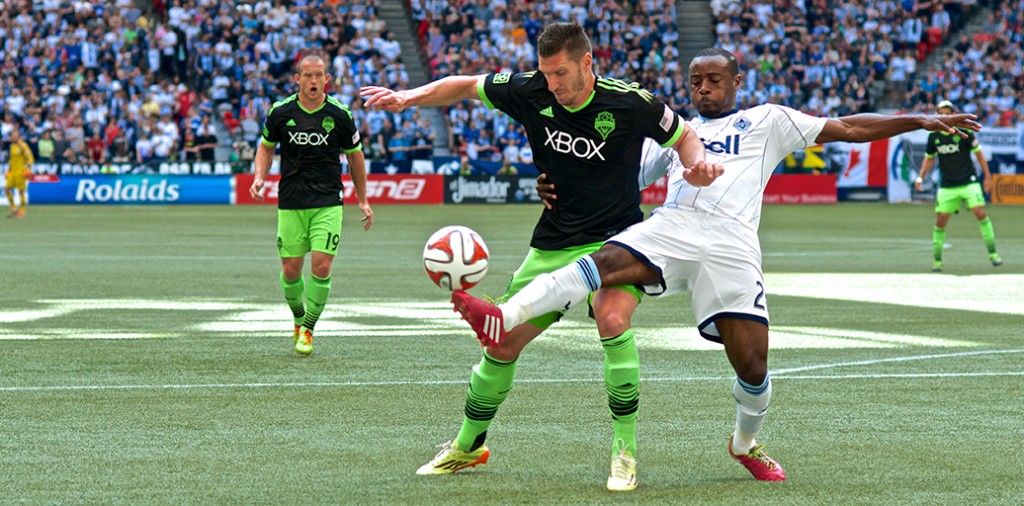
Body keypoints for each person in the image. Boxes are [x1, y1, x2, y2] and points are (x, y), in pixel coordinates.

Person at [451, 47, 982, 484]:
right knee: (604, 261)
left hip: (732, 245)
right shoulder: (675, 132)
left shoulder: (769, 120)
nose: (703, 89)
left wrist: (919, 120)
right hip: (675, 226)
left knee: (752, 366)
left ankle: (744, 443)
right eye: (695, 81)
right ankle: (502, 312)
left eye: (713, 80)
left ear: (735, 81)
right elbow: (609, 177)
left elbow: (846, 127)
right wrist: (553, 184)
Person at [361, 22, 719, 491]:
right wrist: (408, 97)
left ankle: (624, 453)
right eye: (546, 74)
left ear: (587, 63)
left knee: (612, 320)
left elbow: (685, 135)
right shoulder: (531, 89)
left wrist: (697, 167)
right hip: (555, 240)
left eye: (561, 73)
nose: (552, 85)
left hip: (617, 242)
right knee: (500, 343)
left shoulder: (629, 101)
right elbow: (466, 86)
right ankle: (469, 447)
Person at [249, 54, 374, 356]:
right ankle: (297, 317)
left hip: (328, 200)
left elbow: (355, 157)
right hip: (291, 200)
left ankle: (309, 328)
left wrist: (363, 198)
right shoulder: (281, 112)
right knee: (291, 271)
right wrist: (259, 176)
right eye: (307, 75)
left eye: (319, 75)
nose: (314, 81)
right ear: (297, 79)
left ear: (326, 79)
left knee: (321, 264)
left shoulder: (340, 115)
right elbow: (265, 147)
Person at [914, 100, 1001, 271]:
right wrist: (920, 177)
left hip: (968, 181)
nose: (944, 116)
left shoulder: (965, 132)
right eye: (941, 113)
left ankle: (993, 254)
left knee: (980, 212)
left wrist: (987, 177)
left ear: (953, 114)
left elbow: (979, 154)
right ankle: (937, 261)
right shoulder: (934, 136)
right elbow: (929, 158)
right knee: (940, 221)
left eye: (948, 112)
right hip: (947, 185)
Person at [5, 129, 33, 218]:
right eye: (13, 136)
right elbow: (11, 159)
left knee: (21, 192)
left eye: (15, 136)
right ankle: (14, 208)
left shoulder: (23, 145)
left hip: (20, 172)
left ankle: (22, 211)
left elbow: (29, 157)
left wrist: (27, 166)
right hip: (12, 172)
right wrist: (8, 170)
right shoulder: (12, 146)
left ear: (18, 136)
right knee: (7, 189)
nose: (14, 138)